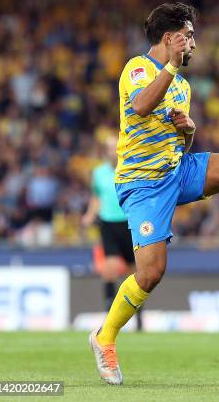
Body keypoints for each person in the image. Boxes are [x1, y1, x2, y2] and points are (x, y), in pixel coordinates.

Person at [89, 2, 219, 385]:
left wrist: (188, 130)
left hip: (176, 170)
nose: (194, 45)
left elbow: (180, 144)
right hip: (143, 183)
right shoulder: (139, 69)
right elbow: (141, 105)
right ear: (170, 38)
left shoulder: (181, 85)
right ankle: (104, 338)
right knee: (151, 273)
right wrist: (170, 67)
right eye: (188, 36)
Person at [82, 134, 142, 331]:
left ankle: (139, 318)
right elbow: (97, 196)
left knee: (137, 271)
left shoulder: (131, 169)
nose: (111, 151)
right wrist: (90, 215)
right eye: (108, 147)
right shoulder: (99, 173)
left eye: (113, 147)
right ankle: (109, 315)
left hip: (128, 222)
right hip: (108, 223)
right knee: (109, 269)